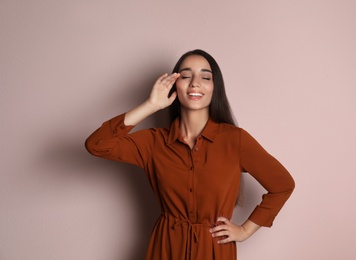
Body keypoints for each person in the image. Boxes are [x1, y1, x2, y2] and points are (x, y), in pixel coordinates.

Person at [85, 49, 295, 260]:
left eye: (205, 77)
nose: (195, 83)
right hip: (166, 249)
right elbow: (97, 144)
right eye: (186, 76)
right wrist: (151, 105)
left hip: (214, 250)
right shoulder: (154, 143)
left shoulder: (235, 140)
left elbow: (283, 184)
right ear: (174, 85)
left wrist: (245, 231)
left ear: (215, 88)